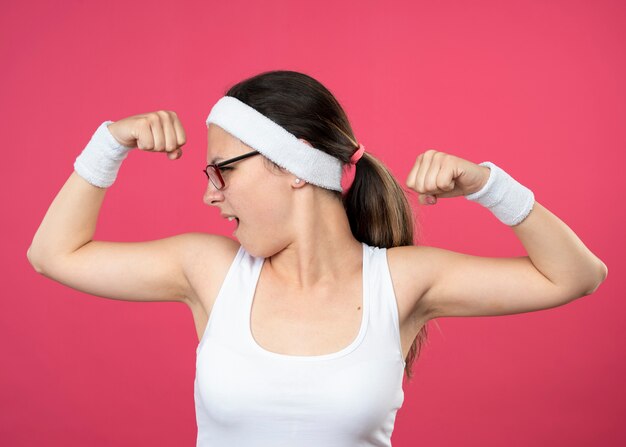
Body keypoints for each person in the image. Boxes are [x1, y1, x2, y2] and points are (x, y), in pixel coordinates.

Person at [27, 70, 608, 447]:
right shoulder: (208, 271)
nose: (209, 193)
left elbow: (578, 275)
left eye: (223, 169)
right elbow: (53, 254)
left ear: (295, 164)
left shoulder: (401, 283)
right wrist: (110, 144)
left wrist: (489, 186)